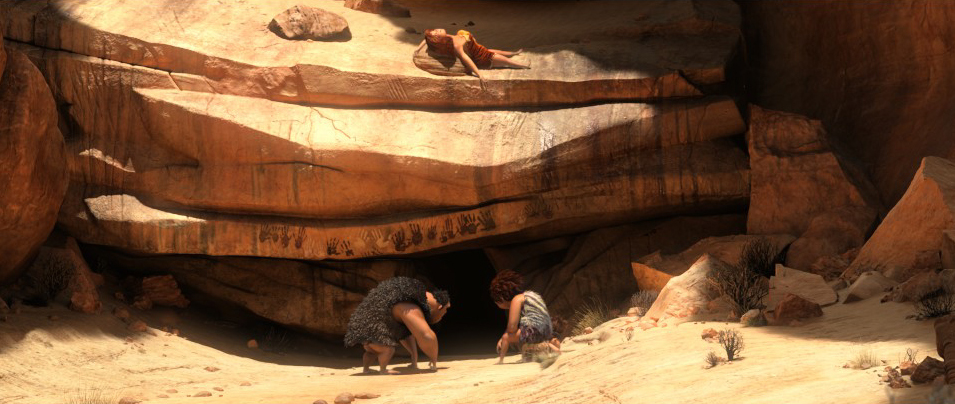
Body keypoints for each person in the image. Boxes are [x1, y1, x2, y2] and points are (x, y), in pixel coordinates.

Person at [344, 277, 450, 374]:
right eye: (444, 312)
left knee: (371, 352)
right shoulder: (410, 307)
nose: (442, 316)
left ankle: (366, 369)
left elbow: (405, 334)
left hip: (369, 332)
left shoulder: (407, 302)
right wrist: (433, 360)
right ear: (440, 307)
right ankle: (383, 370)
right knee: (388, 350)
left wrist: (414, 357)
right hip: (375, 328)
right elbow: (426, 335)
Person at [488, 270, 560, 364]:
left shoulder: (516, 300)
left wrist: (504, 338)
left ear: (501, 299)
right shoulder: (531, 294)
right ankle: (551, 342)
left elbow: (512, 327)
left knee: (506, 337)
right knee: (524, 336)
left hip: (535, 331)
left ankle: (501, 360)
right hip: (548, 330)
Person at [418, 28, 529, 84]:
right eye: (436, 33)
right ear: (439, 40)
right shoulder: (455, 45)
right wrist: (479, 74)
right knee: (505, 61)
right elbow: (466, 59)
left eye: (435, 30)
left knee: (499, 51)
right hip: (483, 57)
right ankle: (522, 65)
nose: (437, 30)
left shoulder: (447, 36)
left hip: (480, 49)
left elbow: (426, 39)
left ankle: (513, 53)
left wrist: (417, 49)